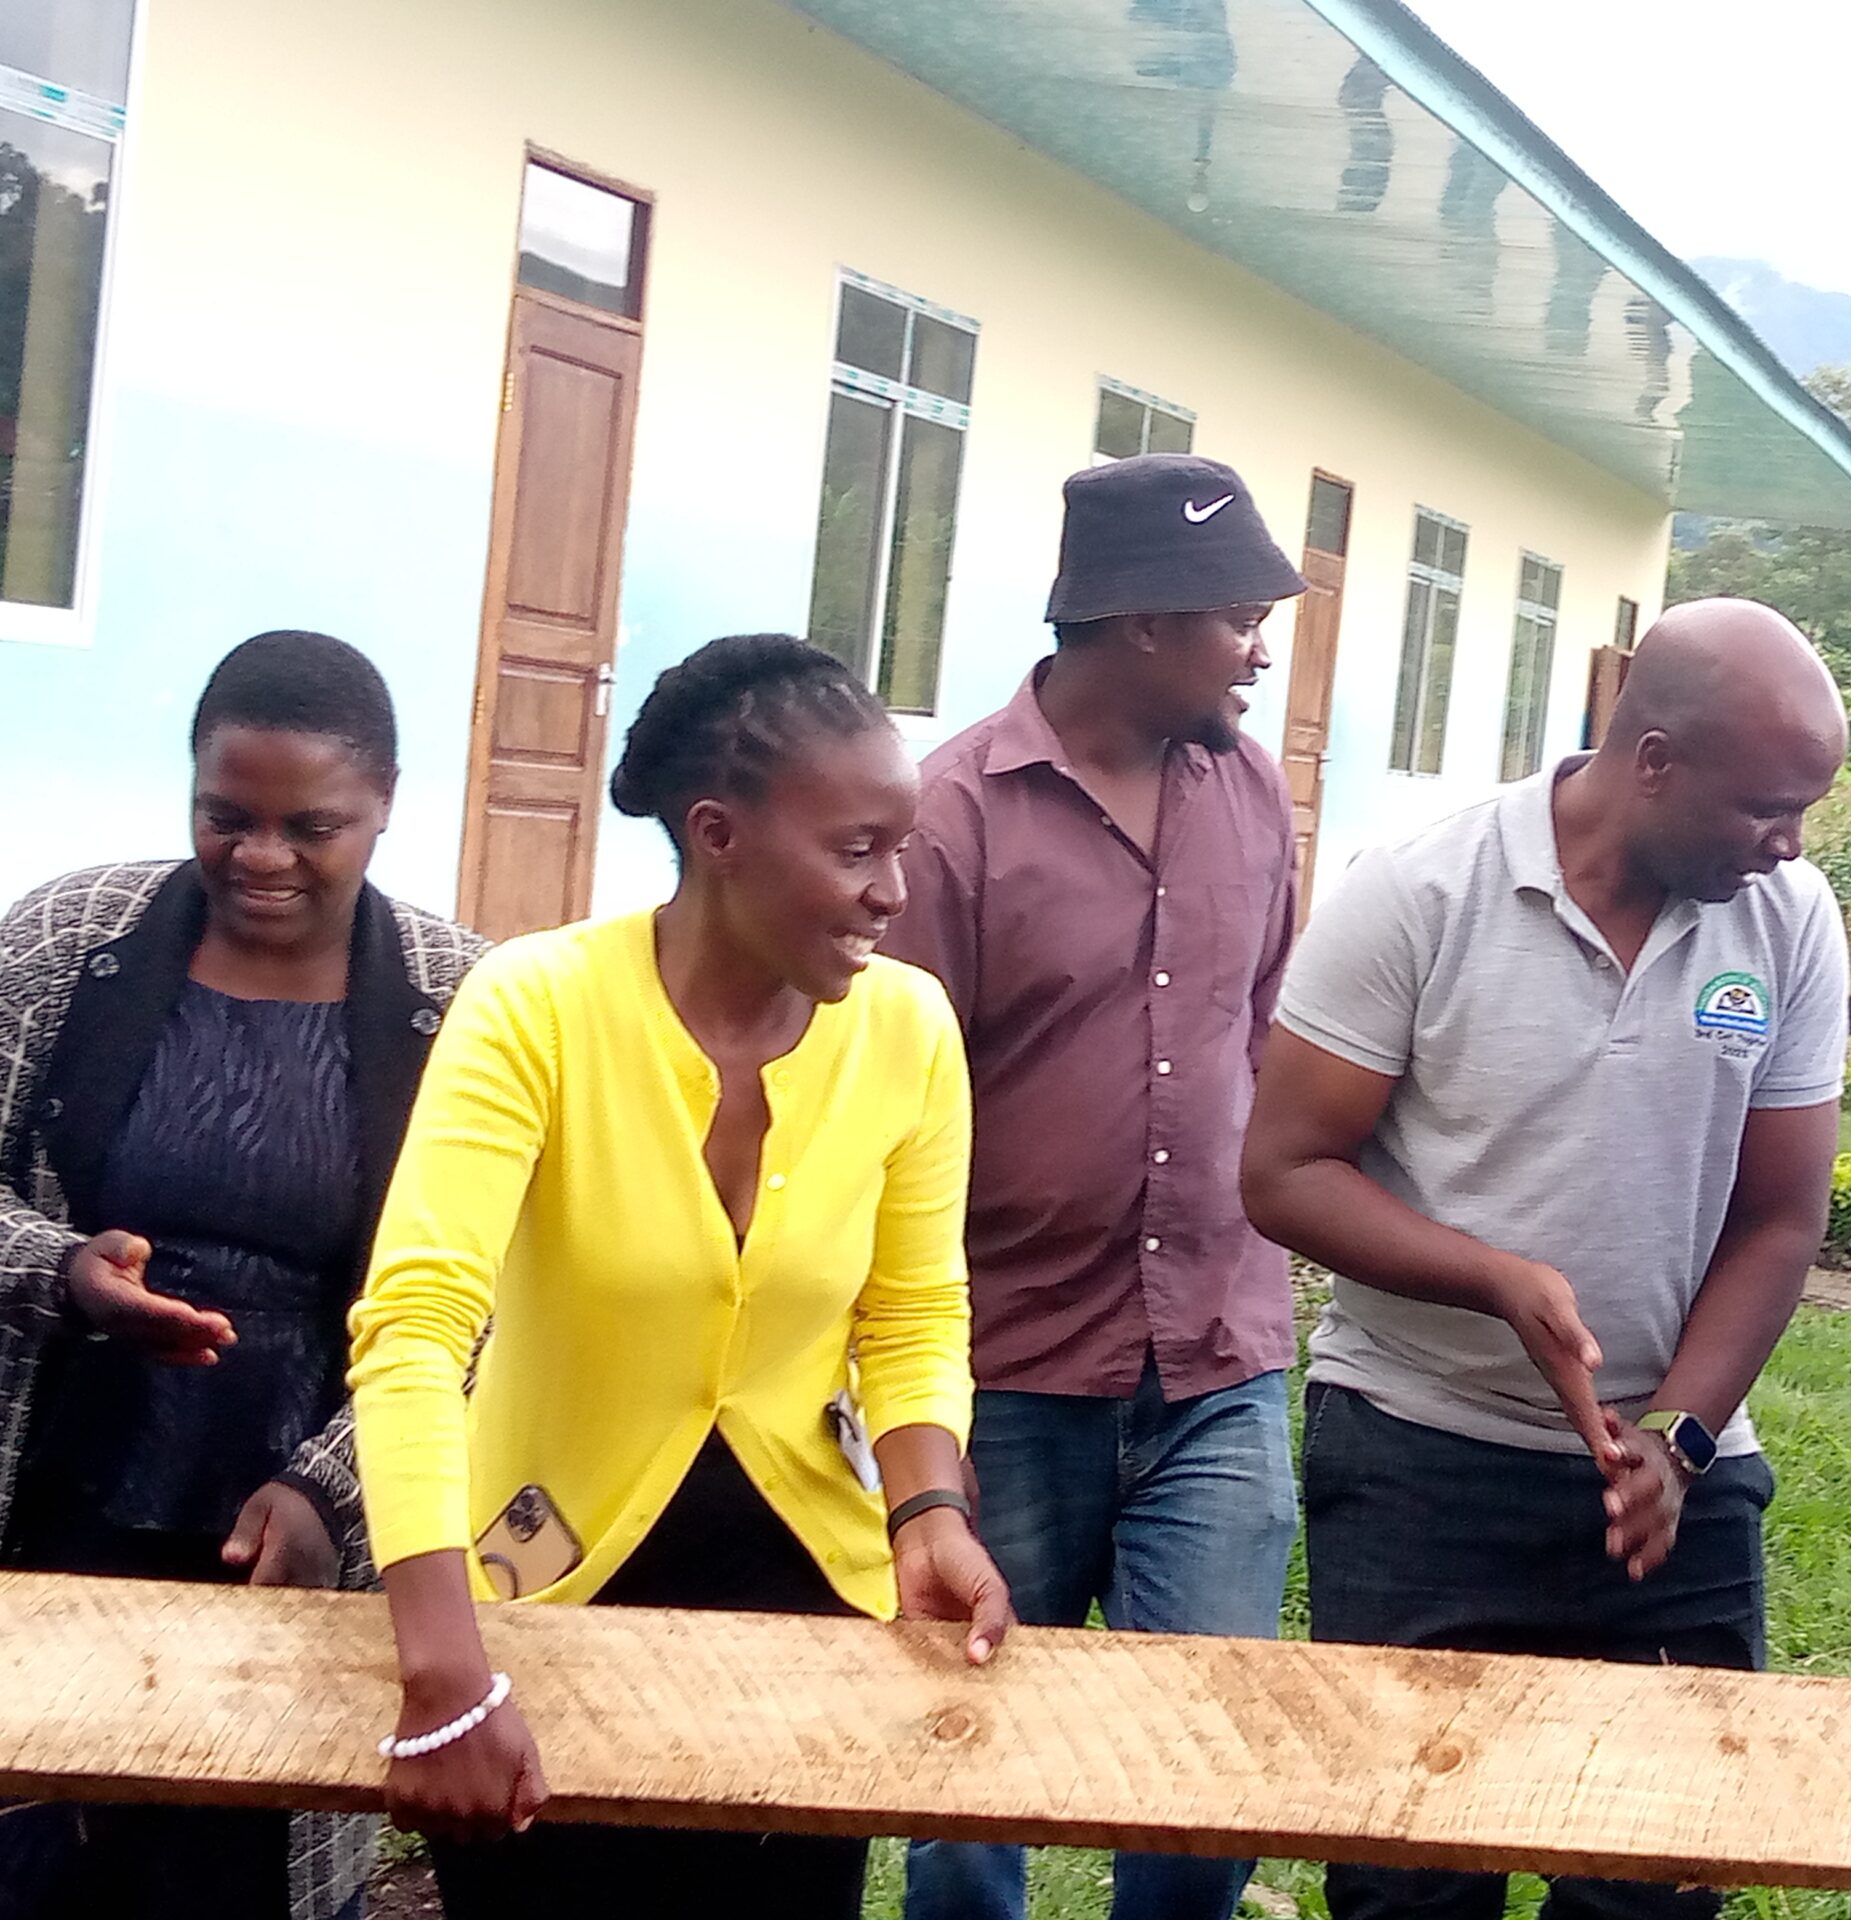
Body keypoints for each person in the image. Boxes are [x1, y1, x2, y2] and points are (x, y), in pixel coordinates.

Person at [346, 634, 1012, 1917]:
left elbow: (912, 1311)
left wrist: (928, 1513)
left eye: (901, 849)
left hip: (805, 1614)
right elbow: (418, 1327)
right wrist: (445, 1667)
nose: (891, 892)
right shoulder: (535, 1006)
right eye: (855, 849)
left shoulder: (907, 1028)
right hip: (544, 1596)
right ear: (718, 834)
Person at [1242, 600, 1850, 1920]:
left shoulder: (1787, 919)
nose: (1790, 844)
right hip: (1422, 1457)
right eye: (1767, 808)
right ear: (1655, 761)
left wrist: (1679, 1438)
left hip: (1673, 1487)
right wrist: (1493, 1278)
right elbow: (1284, 1172)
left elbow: (1778, 1220)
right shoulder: (1423, 890)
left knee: (1659, 1881)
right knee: (1410, 1882)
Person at [0, 629, 483, 1920]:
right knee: (43, 1848)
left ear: (385, 803)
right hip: (65, 1495)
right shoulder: (67, 942)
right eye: (227, 817)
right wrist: (63, 1270)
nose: (262, 857)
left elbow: (485, 1296)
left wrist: (334, 1487)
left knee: (245, 1868)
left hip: (297, 1524)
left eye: (310, 826)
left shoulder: (460, 1002)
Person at [892, 453, 1306, 1920]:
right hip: (1007, 1370)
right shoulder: (950, 816)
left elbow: (1261, 1030)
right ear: (1142, 622)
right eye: (1239, 622)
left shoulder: (1251, 792)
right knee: (968, 1774)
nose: (1258, 654)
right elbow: (890, 1104)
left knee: (1208, 1774)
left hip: (1218, 1361)